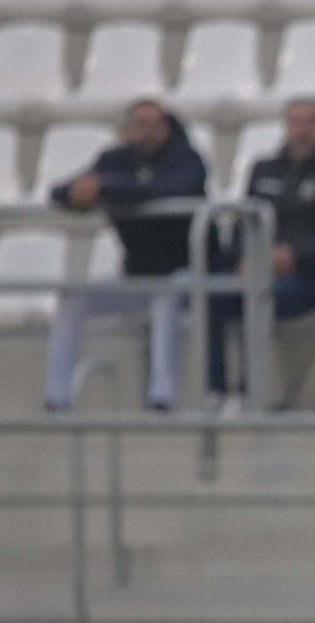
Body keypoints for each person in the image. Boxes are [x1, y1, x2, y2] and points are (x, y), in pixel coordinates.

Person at [45, 99, 209, 412]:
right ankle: (57, 395)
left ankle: (163, 394)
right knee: (73, 297)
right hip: (137, 273)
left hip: (184, 270)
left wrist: (107, 188)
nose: (143, 131)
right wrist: (76, 192)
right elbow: (62, 190)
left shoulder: (186, 159)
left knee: (166, 296)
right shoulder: (114, 159)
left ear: (166, 127)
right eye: (137, 124)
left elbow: (172, 189)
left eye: (151, 124)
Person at [206, 98, 315, 411]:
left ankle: (248, 389)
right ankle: (215, 390)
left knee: (261, 295)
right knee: (215, 292)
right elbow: (242, 224)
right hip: (260, 267)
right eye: (295, 122)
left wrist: (295, 256)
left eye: (310, 122)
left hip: (311, 277)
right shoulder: (263, 170)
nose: (302, 131)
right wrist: (245, 256)